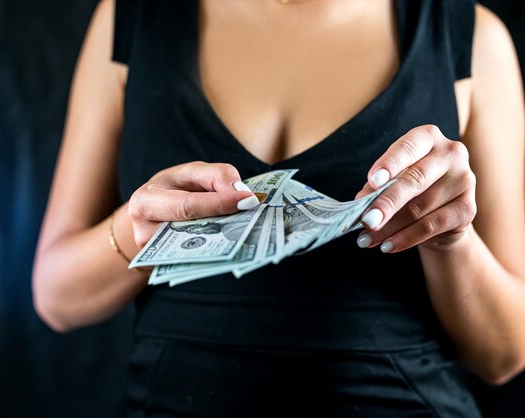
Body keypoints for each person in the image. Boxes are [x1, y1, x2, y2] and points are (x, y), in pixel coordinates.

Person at [31, 0, 525, 416]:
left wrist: (450, 240)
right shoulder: (129, 18)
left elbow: (505, 355)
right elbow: (56, 297)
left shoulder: (473, 38)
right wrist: (137, 229)